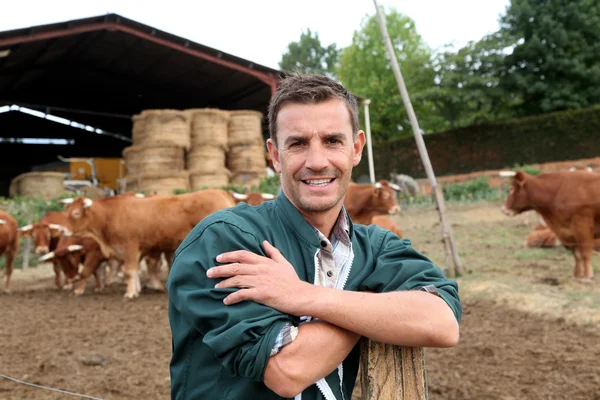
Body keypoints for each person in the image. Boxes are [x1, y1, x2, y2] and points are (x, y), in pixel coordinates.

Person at [167, 74, 461, 399]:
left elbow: (442, 323)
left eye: (333, 141)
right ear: (275, 155)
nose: (317, 162)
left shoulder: (377, 246)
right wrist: (373, 308)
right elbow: (288, 370)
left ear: (356, 148)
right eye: (298, 143)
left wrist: (304, 296)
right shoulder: (224, 239)